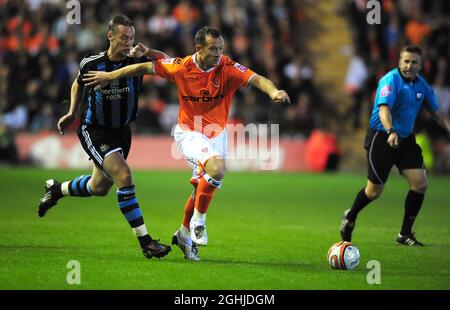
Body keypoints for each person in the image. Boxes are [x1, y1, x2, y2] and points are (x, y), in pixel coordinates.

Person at [83, 26, 291, 260]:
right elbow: (145, 67)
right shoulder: (183, 67)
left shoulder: (228, 68)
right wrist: (110, 76)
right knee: (217, 169)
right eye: (213, 49)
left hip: (217, 134)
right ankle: (199, 222)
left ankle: (183, 234)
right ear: (199, 48)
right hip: (190, 133)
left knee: (201, 187)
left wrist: (274, 91)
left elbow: (256, 78)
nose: (218, 54)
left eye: (221, 49)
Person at [37, 15, 172, 259]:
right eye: (123, 38)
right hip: (95, 129)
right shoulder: (92, 63)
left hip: (122, 131)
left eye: (131, 38)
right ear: (110, 36)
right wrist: (71, 113)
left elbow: (171, 63)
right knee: (124, 174)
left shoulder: (136, 59)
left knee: (98, 187)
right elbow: (79, 83)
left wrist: (148, 50)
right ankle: (146, 243)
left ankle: (57, 189)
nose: (128, 43)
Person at [340, 45, 450, 246]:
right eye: (406, 61)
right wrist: (391, 130)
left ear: (420, 64)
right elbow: (384, 109)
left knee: (420, 184)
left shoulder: (422, 85)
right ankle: (350, 215)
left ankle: (405, 234)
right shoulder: (390, 80)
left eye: (414, 62)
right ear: (399, 62)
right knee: (374, 192)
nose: (409, 65)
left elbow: (437, 112)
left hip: (406, 139)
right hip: (382, 137)